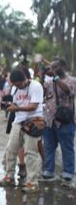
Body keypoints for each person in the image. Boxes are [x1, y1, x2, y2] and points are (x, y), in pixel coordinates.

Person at [0, 69, 44, 193]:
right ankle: (9, 177)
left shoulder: (36, 86)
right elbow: (16, 103)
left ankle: (32, 183)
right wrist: (8, 105)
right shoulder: (15, 88)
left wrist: (16, 108)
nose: (17, 87)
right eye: (15, 85)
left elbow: (33, 106)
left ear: (25, 79)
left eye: (19, 84)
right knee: (10, 150)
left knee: (31, 153)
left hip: (34, 122)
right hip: (18, 122)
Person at [41, 59, 76, 187]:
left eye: (56, 67)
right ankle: (49, 171)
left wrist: (55, 77)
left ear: (63, 66)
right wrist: (41, 75)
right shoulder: (49, 82)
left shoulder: (72, 80)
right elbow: (42, 93)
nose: (53, 69)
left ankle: (68, 173)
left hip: (65, 120)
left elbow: (68, 91)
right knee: (49, 147)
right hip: (49, 120)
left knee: (67, 147)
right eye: (52, 67)